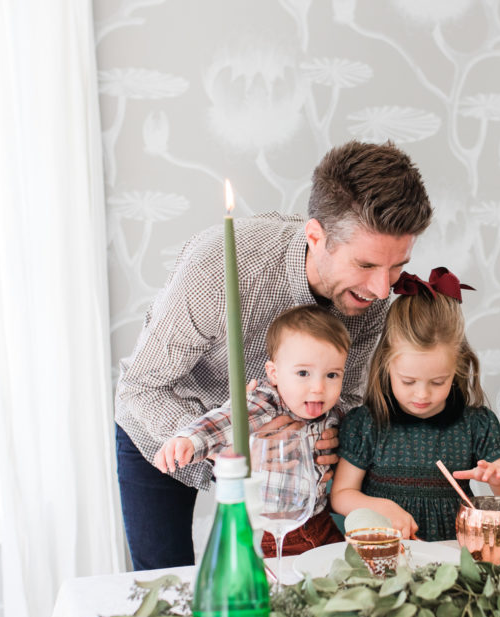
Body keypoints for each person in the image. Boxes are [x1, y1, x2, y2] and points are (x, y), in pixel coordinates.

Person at [115, 141, 432, 570]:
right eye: (365, 265)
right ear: (316, 236)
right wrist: (222, 441)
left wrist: (328, 438)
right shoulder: (218, 267)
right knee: (165, 585)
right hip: (165, 430)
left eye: (396, 267)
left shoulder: (371, 299)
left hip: (284, 464)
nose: (381, 290)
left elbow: (350, 397)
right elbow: (141, 388)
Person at [331, 268, 500, 541]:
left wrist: (498, 479)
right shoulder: (365, 424)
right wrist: (381, 507)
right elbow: (341, 495)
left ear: (456, 368)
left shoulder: (476, 424)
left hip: (452, 556)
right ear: (387, 366)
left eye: (437, 382)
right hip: (387, 552)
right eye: (408, 381)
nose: (422, 395)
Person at [153, 305, 349, 556]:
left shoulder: (335, 413)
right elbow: (225, 421)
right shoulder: (265, 402)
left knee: (337, 580)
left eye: (332, 375)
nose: (318, 387)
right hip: (266, 531)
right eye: (303, 373)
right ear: (274, 374)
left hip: (319, 524)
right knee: (269, 588)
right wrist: (189, 441)